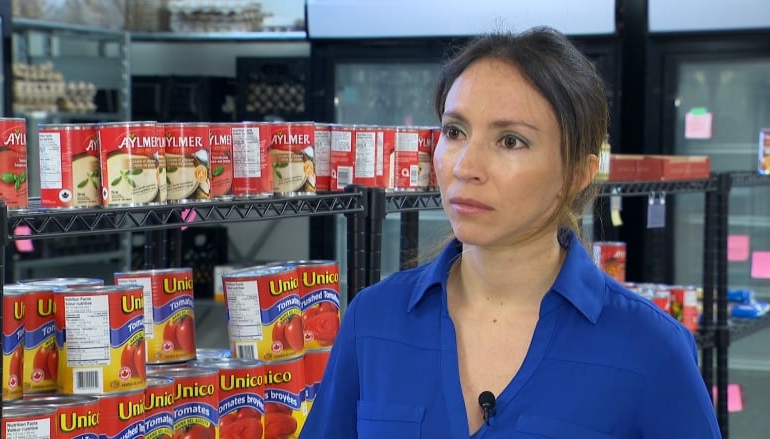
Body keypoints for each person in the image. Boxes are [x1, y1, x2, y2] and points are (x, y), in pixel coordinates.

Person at [300, 26, 722, 438]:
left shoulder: (650, 348)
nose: (465, 166)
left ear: (577, 173)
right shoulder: (373, 319)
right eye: (454, 131)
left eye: (510, 141)